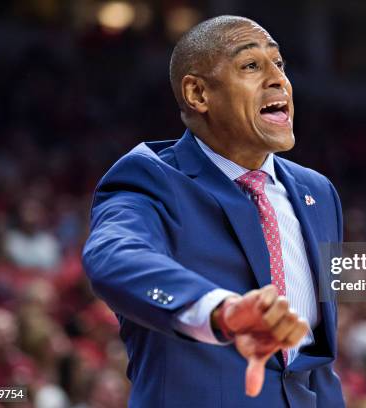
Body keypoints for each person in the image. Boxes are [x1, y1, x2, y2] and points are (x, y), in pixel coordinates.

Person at [82, 15, 344, 408]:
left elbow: (314, 357)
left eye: (279, 64)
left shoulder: (317, 192)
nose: (278, 80)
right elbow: (112, 256)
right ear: (198, 94)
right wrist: (221, 311)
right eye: (251, 65)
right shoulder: (151, 177)